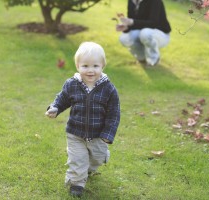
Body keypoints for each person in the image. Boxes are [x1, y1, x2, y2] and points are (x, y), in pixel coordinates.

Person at [45, 41, 120, 197]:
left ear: (102, 66)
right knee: (78, 160)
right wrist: (55, 108)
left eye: (95, 66)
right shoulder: (72, 84)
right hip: (75, 132)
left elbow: (114, 113)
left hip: (98, 134)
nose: (90, 70)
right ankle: (77, 183)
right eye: (85, 66)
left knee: (97, 158)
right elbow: (62, 99)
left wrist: (108, 134)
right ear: (78, 66)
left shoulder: (108, 89)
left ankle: (92, 166)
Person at [116, 0, 171, 66]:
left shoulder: (155, 1)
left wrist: (132, 22)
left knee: (145, 33)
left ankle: (153, 60)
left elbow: (154, 23)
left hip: (161, 34)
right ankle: (141, 58)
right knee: (123, 38)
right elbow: (133, 22)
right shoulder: (131, 1)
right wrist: (126, 27)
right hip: (142, 31)